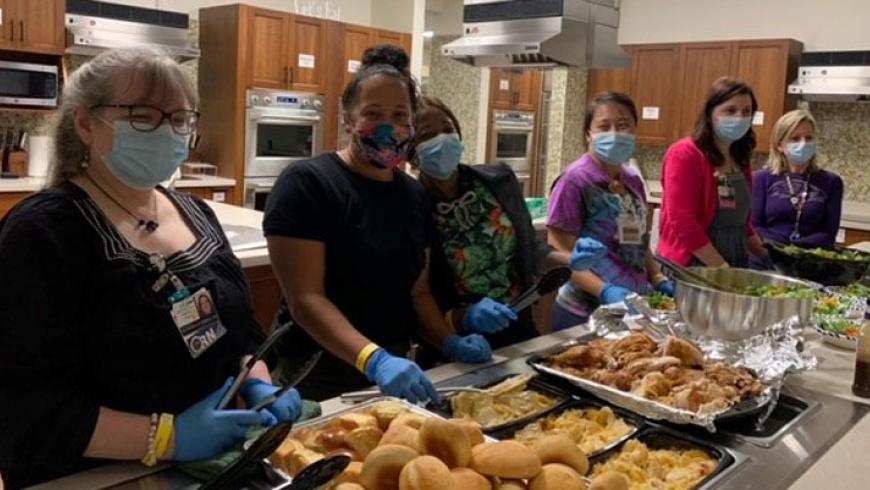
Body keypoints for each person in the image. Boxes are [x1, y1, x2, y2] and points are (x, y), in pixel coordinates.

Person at [0, 48, 303, 489]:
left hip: (211, 468)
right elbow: (25, 406)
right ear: (85, 124)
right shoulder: (43, 234)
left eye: (180, 119)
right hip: (99, 477)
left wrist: (257, 380)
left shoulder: (196, 214)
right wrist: (167, 438)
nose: (168, 133)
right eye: (144, 116)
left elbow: (240, 331)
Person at [264, 46, 491, 403]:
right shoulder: (308, 184)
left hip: (398, 371)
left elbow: (418, 293)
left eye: (400, 115)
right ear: (348, 120)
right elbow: (306, 299)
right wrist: (374, 359)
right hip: (317, 374)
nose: (389, 125)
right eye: (373, 113)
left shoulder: (415, 196)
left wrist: (448, 340)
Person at [411, 96, 572, 347]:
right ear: (410, 151)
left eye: (447, 129)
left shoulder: (498, 182)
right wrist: (460, 323)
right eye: (426, 135)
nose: (442, 139)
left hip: (518, 325)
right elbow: (417, 294)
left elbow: (532, 249)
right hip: (457, 337)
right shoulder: (411, 206)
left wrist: (571, 260)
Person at [546, 92, 673, 331]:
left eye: (623, 125)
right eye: (604, 126)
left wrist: (657, 277)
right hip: (583, 312)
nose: (614, 133)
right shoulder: (575, 181)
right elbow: (560, 253)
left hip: (631, 309)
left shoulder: (632, 180)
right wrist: (603, 290)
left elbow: (637, 242)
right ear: (588, 135)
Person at [658, 77, 768, 268]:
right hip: (693, 266)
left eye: (746, 112)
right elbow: (683, 222)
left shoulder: (740, 159)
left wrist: (770, 257)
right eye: (731, 110)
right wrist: (720, 269)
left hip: (734, 262)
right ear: (710, 113)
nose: (739, 117)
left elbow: (741, 223)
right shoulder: (685, 154)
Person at [752, 109, 843, 247]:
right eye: (795, 138)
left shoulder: (831, 182)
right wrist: (781, 249)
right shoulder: (761, 179)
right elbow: (755, 227)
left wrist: (796, 250)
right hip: (767, 257)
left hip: (809, 259)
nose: (803, 143)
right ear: (780, 145)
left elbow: (828, 232)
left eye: (809, 138)